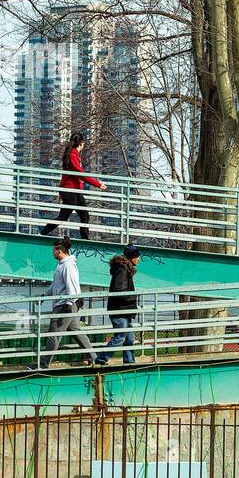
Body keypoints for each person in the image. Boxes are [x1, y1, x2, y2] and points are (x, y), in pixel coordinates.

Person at [37, 237, 96, 369]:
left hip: (65, 305)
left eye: (54, 250)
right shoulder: (62, 264)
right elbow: (56, 284)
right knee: (76, 331)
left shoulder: (68, 266)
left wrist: (69, 303)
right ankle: (94, 359)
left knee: (53, 335)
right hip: (67, 304)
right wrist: (45, 294)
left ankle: (43, 364)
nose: (52, 253)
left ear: (59, 251)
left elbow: (72, 286)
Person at [41, 132, 105, 240]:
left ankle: (85, 240)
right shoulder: (73, 156)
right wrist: (98, 184)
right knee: (63, 217)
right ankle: (42, 233)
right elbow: (81, 175)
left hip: (75, 191)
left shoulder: (74, 155)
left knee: (85, 216)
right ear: (81, 143)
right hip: (70, 191)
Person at [96, 248, 139, 366]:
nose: (138, 259)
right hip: (119, 309)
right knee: (120, 337)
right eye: (137, 256)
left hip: (125, 309)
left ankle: (129, 362)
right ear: (131, 257)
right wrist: (133, 298)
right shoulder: (122, 269)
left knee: (129, 338)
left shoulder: (124, 269)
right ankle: (101, 360)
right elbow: (119, 290)